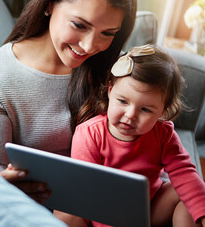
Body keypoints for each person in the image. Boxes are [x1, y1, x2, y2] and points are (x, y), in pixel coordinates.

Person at [0, 0, 137, 204]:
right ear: (50, 4)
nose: (89, 46)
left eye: (107, 33)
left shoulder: (116, 68)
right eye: (79, 25)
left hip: (109, 200)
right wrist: (3, 182)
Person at [64, 44, 205, 227]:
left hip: (147, 210)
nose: (130, 115)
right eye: (123, 101)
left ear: (163, 110)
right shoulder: (90, 133)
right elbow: (89, 191)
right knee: (66, 210)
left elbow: (184, 173)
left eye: (145, 109)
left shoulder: (163, 134)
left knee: (188, 194)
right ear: (110, 91)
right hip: (100, 212)